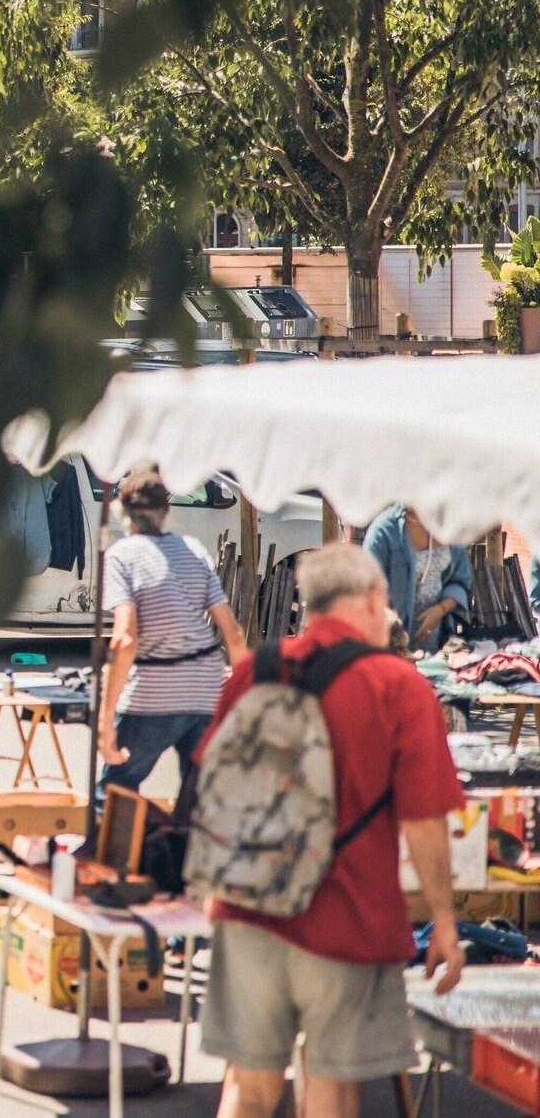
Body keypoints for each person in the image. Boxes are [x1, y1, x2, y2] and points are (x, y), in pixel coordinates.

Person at [198, 542, 465, 1118]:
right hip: (348, 919)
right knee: (331, 1090)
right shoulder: (398, 688)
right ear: (374, 599)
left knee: (247, 1088)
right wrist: (443, 920)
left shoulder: (253, 672)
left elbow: (209, 783)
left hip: (248, 909)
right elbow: (423, 822)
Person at [96, 465, 247, 804]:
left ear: (123, 513)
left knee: (116, 790)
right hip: (204, 689)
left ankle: (113, 858)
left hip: (153, 689)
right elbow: (233, 634)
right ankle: (188, 854)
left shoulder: (122, 556)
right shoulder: (194, 550)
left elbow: (125, 639)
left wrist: (106, 718)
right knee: (198, 798)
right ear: (167, 512)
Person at [363, 505, 472, 651]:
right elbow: (367, 589)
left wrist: (440, 610)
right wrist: (394, 632)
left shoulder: (447, 526)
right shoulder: (384, 532)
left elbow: (461, 579)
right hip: (391, 644)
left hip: (437, 642)